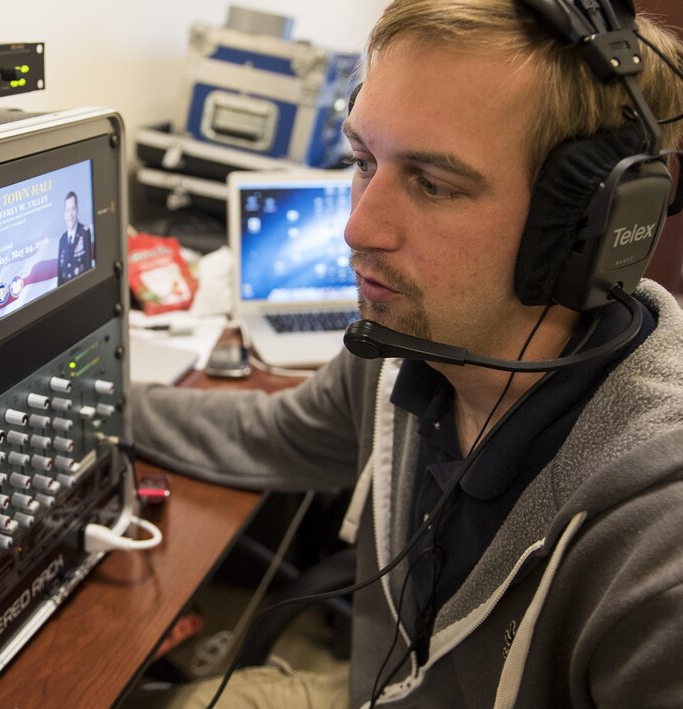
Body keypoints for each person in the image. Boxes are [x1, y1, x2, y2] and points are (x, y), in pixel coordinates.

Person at [128, 1, 683, 707]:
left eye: (432, 183)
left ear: (588, 228)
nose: (358, 226)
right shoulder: (403, 350)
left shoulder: (660, 543)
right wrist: (96, 407)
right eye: (363, 160)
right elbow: (272, 435)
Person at [56, 191, 93, 285]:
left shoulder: (84, 232)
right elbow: (60, 276)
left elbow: (88, 266)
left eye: (73, 209)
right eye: (68, 210)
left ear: (77, 210)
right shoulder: (62, 240)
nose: (70, 214)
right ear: (64, 213)